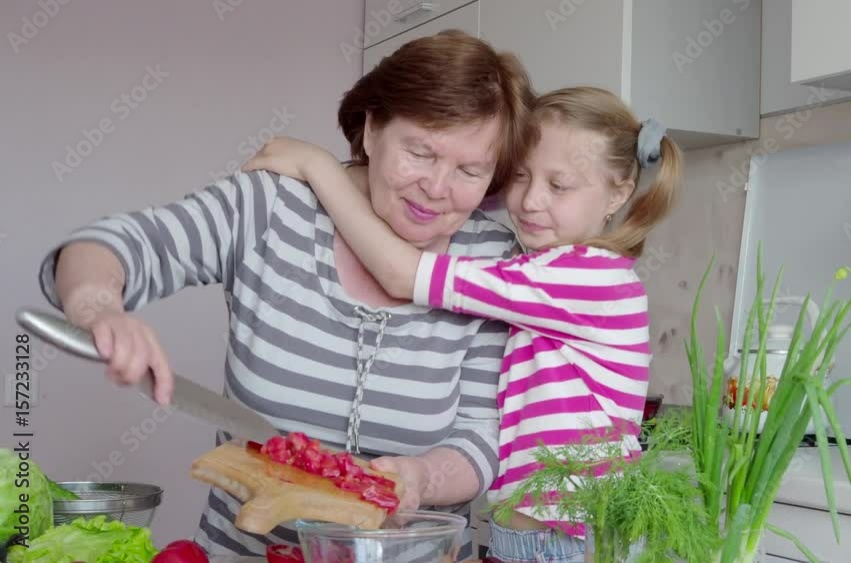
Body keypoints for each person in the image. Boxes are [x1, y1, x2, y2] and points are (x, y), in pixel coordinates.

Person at [36, 30, 535, 559]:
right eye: (420, 152)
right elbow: (112, 246)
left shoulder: (494, 261)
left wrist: (419, 478)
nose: (438, 187)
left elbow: (481, 436)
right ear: (370, 129)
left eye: (469, 170)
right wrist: (100, 308)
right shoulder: (273, 208)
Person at [241, 86, 682, 563]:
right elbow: (463, 192)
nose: (531, 200)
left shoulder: (583, 279)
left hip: (571, 546)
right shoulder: (555, 266)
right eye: (519, 176)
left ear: (618, 192)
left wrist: (318, 168)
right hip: (529, 539)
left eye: (559, 186)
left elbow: (400, 273)